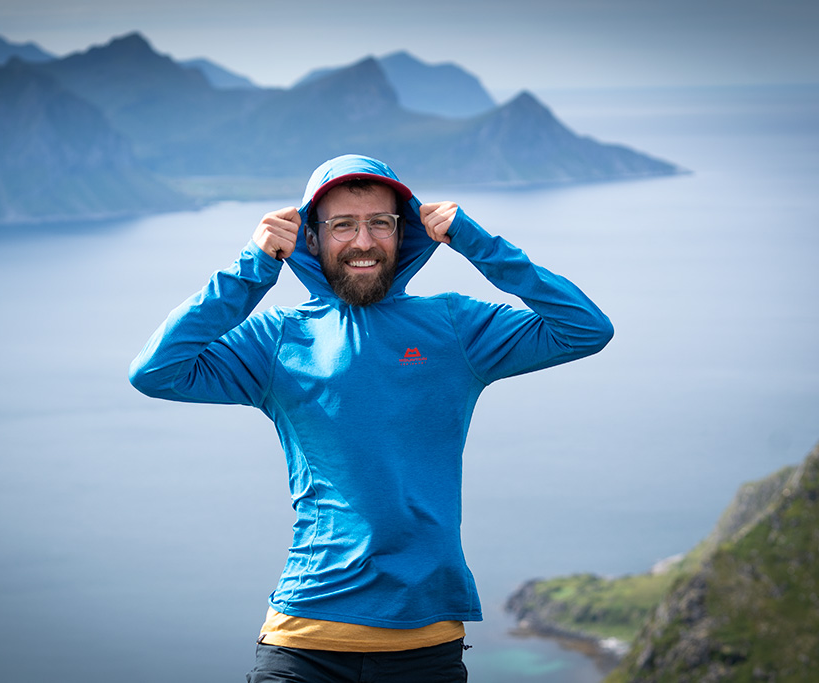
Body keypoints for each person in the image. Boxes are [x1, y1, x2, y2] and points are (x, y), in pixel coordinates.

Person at [129, 154, 614, 682]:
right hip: (304, 637)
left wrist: (478, 243)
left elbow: (585, 328)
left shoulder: (454, 326)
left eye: (380, 222)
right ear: (311, 238)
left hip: (425, 645)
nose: (363, 241)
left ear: (402, 232)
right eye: (342, 225)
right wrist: (252, 268)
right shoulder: (277, 338)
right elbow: (156, 371)